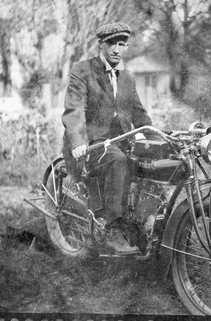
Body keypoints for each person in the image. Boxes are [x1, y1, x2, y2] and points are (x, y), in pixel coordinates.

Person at [61, 22, 152, 255]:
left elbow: (138, 112)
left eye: (122, 44)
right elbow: (74, 110)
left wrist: (154, 136)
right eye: (112, 43)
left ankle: (140, 223)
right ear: (101, 44)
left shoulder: (128, 78)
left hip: (119, 140)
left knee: (150, 164)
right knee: (118, 161)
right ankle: (112, 227)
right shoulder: (83, 70)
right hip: (91, 144)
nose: (117, 50)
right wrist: (79, 143)